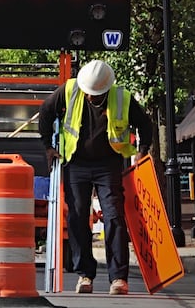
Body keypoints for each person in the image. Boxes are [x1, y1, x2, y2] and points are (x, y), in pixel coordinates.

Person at [39, 59, 152, 296]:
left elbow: (144, 124)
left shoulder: (121, 97)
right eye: (88, 92)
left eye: (95, 94)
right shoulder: (70, 90)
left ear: (105, 90)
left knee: (114, 218)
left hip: (108, 164)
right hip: (76, 162)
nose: (90, 96)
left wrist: (142, 152)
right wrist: (49, 147)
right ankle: (85, 275)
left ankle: (118, 278)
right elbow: (46, 113)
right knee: (77, 217)